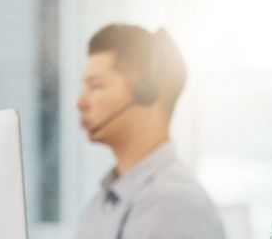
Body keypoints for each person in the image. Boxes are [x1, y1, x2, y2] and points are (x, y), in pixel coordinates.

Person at [75, 24, 225, 239]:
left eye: (96, 86)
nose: (80, 102)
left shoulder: (171, 206)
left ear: (146, 94)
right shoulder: (102, 202)